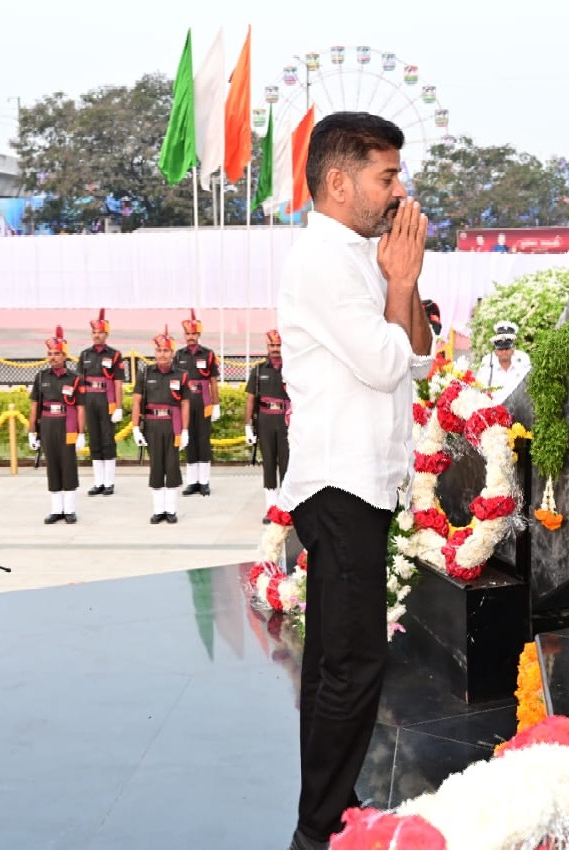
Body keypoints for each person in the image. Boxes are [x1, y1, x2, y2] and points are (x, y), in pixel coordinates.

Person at [277, 111, 432, 850]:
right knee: (354, 659)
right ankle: (321, 823)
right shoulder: (323, 260)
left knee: (336, 658)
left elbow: (420, 356)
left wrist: (403, 286)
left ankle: (332, 800)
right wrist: (399, 283)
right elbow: (382, 361)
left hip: (364, 482)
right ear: (339, 182)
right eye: (387, 176)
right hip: (339, 485)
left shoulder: (358, 258)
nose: (398, 191)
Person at [131, 327, 191, 524]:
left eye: (166, 350)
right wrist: (135, 428)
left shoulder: (181, 375)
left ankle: (171, 510)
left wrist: (184, 430)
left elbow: (184, 403)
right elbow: (137, 401)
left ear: (172, 353)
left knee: (172, 466)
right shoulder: (145, 373)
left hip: (172, 424)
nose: (162, 354)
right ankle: (158, 510)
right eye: (158, 350)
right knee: (156, 466)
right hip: (152, 425)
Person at [28, 327, 86, 524]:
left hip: (67, 425)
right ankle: (56, 509)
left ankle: (69, 509)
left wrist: (81, 433)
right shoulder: (41, 377)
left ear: (64, 355)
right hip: (48, 425)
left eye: (56, 354)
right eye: (50, 354)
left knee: (68, 465)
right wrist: (32, 431)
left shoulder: (75, 379)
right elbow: (35, 405)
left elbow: (80, 407)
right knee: (52, 465)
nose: (52, 358)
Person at [76, 308, 126, 496]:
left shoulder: (114, 355)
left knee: (107, 440)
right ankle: (98, 482)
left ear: (106, 334)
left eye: (100, 332)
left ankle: (109, 482)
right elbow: (79, 382)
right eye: (94, 332)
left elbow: (118, 382)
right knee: (95, 439)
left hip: (107, 400)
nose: (96, 335)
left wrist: (119, 407)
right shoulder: (85, 355)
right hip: (89, 399)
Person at [244, 329, 290, 523]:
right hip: (265, 420)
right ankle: (271, 508)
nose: (275, 349)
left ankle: (287, 507)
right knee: (269, 463)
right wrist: (248, 425)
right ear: (267, 346)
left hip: (285, 420)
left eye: (278, 345)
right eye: (272, 346)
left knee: (287, 463)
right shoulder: (259, 370)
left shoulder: (291, 368)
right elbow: (250, 399)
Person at [173, 309, 220, 496]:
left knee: (203, 440)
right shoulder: (178, 355)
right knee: (189, 440)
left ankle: (204, 481)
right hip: (185, 404)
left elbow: (213, 381)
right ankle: (192, 481)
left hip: (204, 403)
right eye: (188, 334)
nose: (190, 337)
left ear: (199, 334)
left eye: (194, 333)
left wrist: (216, 404)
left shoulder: (208, 354)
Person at [478, 320, 531, 402]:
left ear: (512, 347)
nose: (504, 352)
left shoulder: (523, 359)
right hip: (495, 407)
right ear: (496, 351)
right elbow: (480, 386)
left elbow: (529, 384)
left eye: (507, 348)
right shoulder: (488, 361)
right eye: (501, 349)